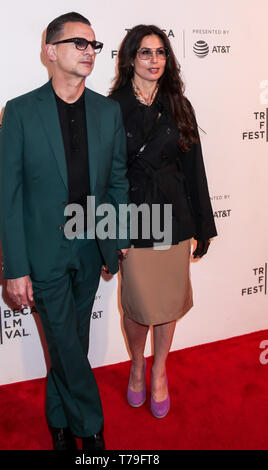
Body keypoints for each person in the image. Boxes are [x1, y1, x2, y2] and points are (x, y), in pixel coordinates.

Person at [0, 12, 129, 451]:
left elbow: (117, 182)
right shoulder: (19, 112)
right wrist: (15, 267)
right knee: (67, 344)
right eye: (79, 43)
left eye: (94, 45)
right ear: (50, 51)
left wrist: (117, 235)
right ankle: (90, 431)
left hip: (90, 249)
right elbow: (8, 196)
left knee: (75, 339)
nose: (90, 51)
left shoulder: (108, 112)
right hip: (43, 253)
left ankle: (57, 418)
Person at [109, 25, 217, 418]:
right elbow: (107, 176)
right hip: (134, 219)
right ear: (130, 59)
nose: (154, 60)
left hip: (173, 217)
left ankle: (159, 370)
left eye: (160, 53)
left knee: (167, 304)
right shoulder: (112, 107)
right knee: (138, 304)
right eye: (145, 52)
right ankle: (137, 364)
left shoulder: (178, 105)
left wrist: (203, 227)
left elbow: (194, 169)